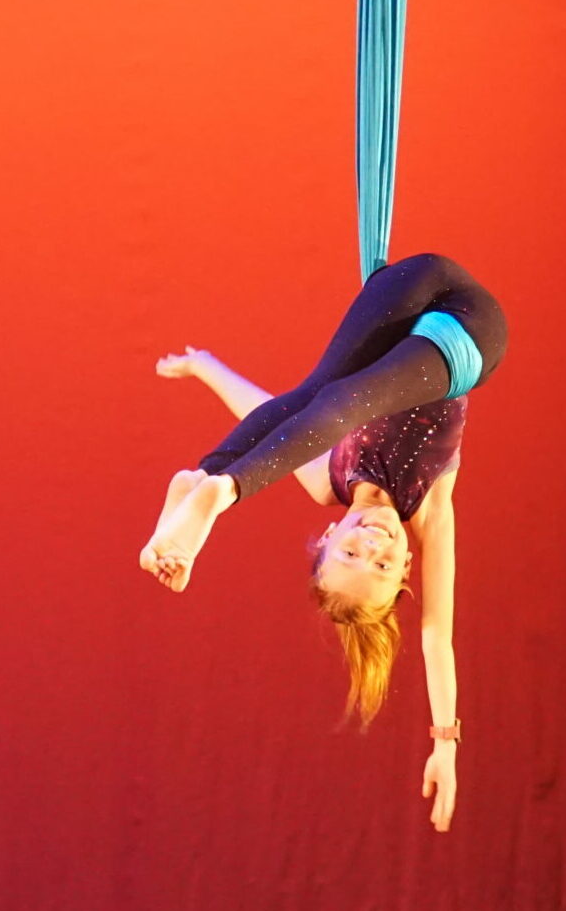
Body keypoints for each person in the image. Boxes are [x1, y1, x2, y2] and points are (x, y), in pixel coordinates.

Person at [139, 253, 508, 832]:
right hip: (468, 330)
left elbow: (274, 407)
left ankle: (207, 479)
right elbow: (437, 634)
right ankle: (221, 491)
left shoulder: (326, 482)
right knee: (337, 404)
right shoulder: (431, 508)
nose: (373, 543)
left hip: (411, 287)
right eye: (384, 565)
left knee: (318, 395)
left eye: (351, 554)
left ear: (328, 538)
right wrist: (446, 744)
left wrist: (207, 367)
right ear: (406, 564)